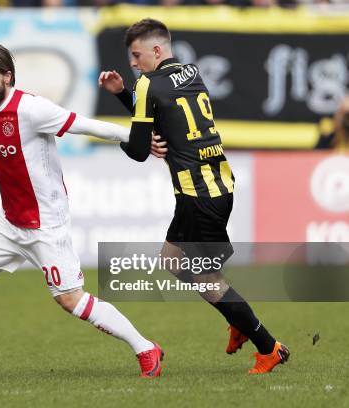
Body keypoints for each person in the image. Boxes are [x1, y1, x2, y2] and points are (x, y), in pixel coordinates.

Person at [0, 41, 164, 379]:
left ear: (7, 77)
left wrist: (137, 138)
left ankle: (146, 348)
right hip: (10, 220)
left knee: (71, 300)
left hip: (45, 223)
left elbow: (86, 124)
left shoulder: (32, 110)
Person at [99, 18, 289, 374]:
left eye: (137, 56)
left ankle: (269, 347)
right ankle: (239, 321)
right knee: (173, 259)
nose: (133, 64)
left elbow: (140, 149)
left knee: (207, 280)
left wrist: (120, 126)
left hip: (197, 195)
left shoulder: (148, 86)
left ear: (156, 50)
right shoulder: (191, 72)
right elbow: (165, 118)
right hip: (218, 185)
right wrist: (126, 94)